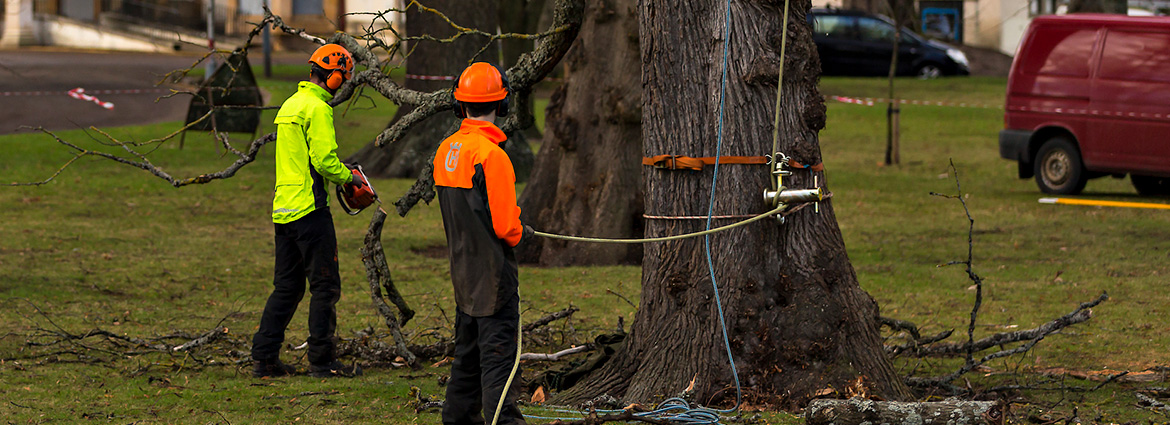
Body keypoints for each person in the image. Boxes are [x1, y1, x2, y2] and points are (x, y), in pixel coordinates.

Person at [251, 44, 366, 379]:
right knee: (325, 287)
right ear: (332, 77)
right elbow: (324, 161)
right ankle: (322, 361)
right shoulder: (317, 108)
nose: (342, 83)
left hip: (283, 210)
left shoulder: (290, 104)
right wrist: (351, 178)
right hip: (310, 211)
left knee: (286, 288)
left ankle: (264, 359)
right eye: (342, 78)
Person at [434, 62, 533, 425]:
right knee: (498, 363)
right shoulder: (492, 157)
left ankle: (457, 418)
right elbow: (508, 229)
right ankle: (503, 420)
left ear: (460, 105)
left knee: (467, 355)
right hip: (494, 277)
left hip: (463, 273)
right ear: (502, 104)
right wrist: (523, 230)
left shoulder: (446, 151)